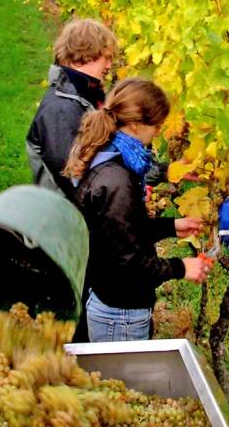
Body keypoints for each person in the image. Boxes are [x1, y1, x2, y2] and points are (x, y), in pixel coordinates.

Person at [65, 78, 209, 342]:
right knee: (120, 383)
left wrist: (171, 227)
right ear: (134, 124)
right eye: (156, 125)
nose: (158, 132)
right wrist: (181, 268)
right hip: (120, 312)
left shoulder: (110, 157)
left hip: (112, 302)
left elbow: (120, 232)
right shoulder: (117, 179)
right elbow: (127, 264)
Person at [26, 18, 116, 198]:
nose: (109, 66)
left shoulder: (86, 97)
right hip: (67, 217)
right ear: (86, 55)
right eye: (106, 58)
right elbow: (75, 179)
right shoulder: (61, 109)